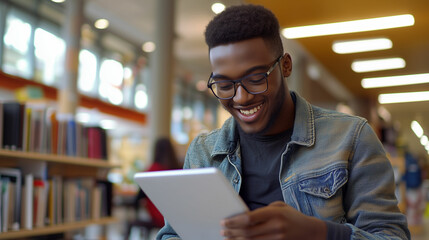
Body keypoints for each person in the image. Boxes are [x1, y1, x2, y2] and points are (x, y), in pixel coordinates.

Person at [157, 4, 410, 240]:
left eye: (256, 78)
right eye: (224, 85)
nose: (241, 97)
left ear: (286, 66)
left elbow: (391, 235)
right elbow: (173, 234)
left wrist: (318, 232)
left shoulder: (352, 137)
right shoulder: (204, 152)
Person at [136, 137, 181, 227]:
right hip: (176, 214)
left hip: (158, 215)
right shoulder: (178, 169)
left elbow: (140, 196)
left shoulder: (152, 170)